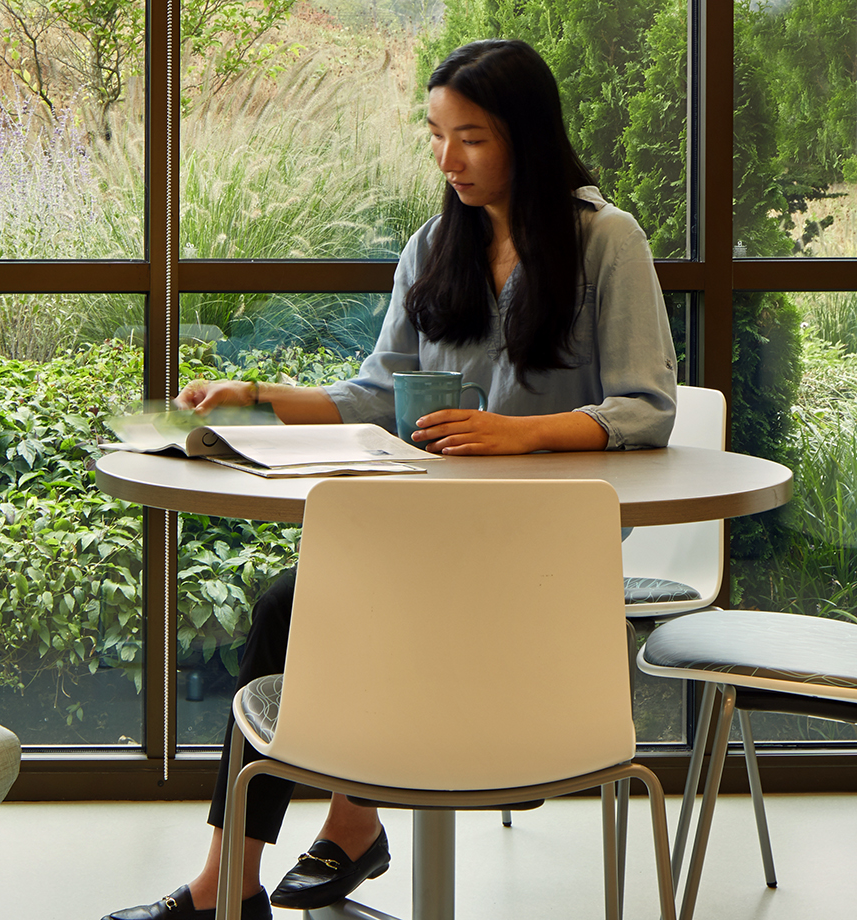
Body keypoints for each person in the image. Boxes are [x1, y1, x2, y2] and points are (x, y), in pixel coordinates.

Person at [101, 38, 677, 920]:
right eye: (437, 137)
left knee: (305, 605)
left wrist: (517, 436)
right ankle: (247, 877)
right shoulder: (431, 247)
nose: (449, 161)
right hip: (433, 537)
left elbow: (646, 407)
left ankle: (334, 830)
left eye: (473, 138)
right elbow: (375, 394)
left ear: (526, 134)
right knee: (291, 603)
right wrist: (250, 398)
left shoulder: (607, 241)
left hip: (548, 562)